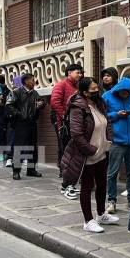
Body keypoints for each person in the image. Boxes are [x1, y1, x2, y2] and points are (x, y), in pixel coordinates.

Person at [61, 77, 119, 232]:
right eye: (92, 89)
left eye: (97, 88)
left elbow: (107, 123)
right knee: (87, 186)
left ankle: (101, 214)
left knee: (102, 184)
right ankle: (88, 221)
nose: (96, 91)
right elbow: (76, 134)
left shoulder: (99, 103)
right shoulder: (78, 107)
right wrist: (90, 150)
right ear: (85, 92)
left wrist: (109, 140)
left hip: (102, 152)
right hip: (87, 154)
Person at [103, 76, 130, 214]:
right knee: (112, 172)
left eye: (128, 92)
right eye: (123, 92)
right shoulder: (107, 97)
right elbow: (102, 115)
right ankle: (111, 200)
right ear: (119, 89)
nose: (126, 94)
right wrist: (116, 115)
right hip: (116, 141)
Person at [5, 74, 45, 180]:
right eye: (32, 80)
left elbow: (41, 102)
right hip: (20, 125)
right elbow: (9, 105)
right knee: (20, 148)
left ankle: (31, 170)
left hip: (32, 123)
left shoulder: (35, 93)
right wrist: (20, 115)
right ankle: (16, 171)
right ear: (26, 81)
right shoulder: (16, 92)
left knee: (32, 148)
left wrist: (42, 104)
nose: (34, 81)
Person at [52, 63, 83, 191]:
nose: (80, 75)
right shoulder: (61, 85)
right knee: (65, 150)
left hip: (78, 124)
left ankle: (74, 175)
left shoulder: (79, 87)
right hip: (65, 125)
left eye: (81, 73)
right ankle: (65, 176)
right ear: (69, 73)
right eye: (78, 72)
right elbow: (55, 102)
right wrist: (65, 115)